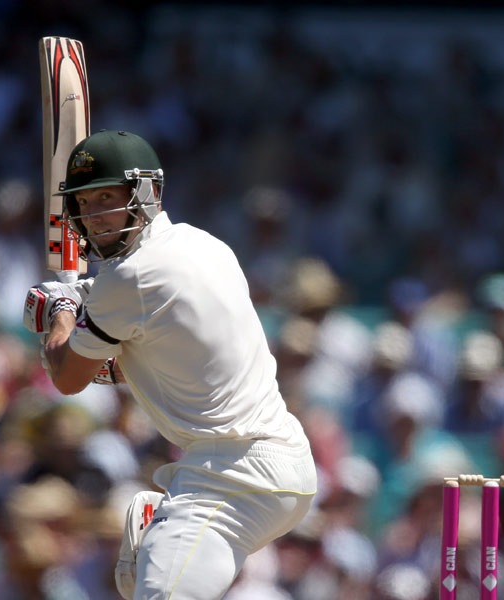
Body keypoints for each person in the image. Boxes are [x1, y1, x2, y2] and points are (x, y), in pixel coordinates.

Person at [22, 130, 317, 600]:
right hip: (281, 458)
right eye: (83, 202)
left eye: (107, 198)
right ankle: (163, 527)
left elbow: (68, 377)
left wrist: (60, 310)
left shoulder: (128, 279)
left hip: (231, 476)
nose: (94, 216)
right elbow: (152, 361)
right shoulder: (207, 245)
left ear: (145, 193)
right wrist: (86, 310)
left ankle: (162, 524)